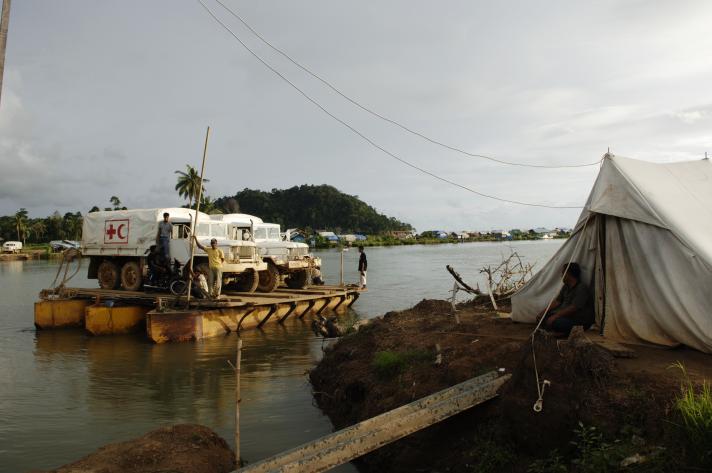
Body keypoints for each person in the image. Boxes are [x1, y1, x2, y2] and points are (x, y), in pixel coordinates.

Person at [537, 262, 595, 336]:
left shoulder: (581, 288)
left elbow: (574, 307)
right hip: (565, 317)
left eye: (563, 273)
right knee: (542, 318)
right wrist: (543, 312)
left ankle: (564, 333)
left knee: (557, 322)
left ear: (568, 274)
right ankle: (559, 331)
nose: (562, 276)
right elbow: (557, 301)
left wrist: (556, 316)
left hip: (577, 320)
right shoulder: (566, 287)